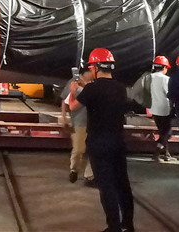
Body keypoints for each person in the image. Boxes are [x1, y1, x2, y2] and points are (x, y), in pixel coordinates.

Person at [69, 48, 134, 232]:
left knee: (106, 186)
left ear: (96, 67)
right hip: (118, 141)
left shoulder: (92, 88)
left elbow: (73, 107)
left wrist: (74, 91)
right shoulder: (120, 88)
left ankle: (113, 227)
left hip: (99, 142)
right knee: (122, 184)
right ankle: (128, 225)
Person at [62, 67, 95, 184]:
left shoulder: (95, 84)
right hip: (80, 122)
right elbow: (66, 102)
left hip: (94, 123)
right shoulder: (74, 83)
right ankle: (74, 170)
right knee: (79, 149)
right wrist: (65, 118)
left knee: (94, 150)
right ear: (86, 72)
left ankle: (90, 175)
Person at [149, 55, 173, 161]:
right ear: (164, 67)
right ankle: (156, 153)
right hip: (165, 110)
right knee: (167, 133)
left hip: (153, 109)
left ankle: (167, 154)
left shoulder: (149, 78)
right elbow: (169, 94)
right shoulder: (166, 79)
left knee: (162, 132)